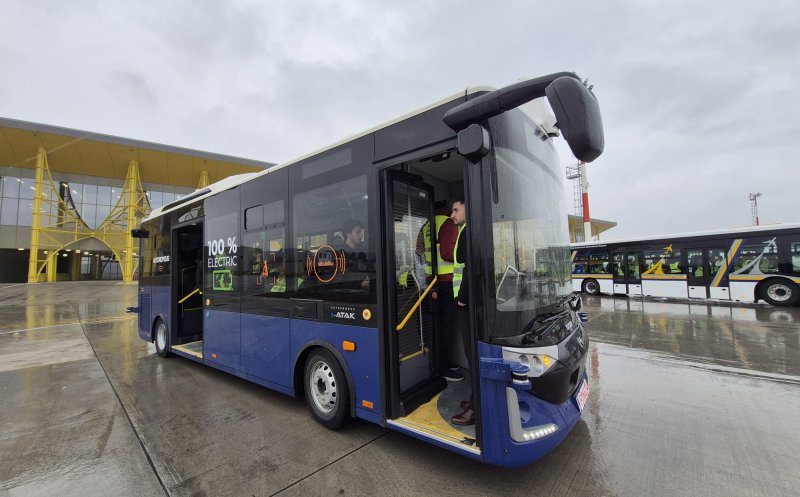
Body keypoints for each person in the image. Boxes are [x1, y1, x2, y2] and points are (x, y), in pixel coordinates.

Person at [427, 201, 462, 382]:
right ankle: (444, 366)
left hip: (433, 282)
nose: (454, 214)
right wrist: (464, 251)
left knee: (439, 325)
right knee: (446, 326)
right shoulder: (448, 223)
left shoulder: (427, 224)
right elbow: (447, 253)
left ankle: (442, 363)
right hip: (447, 282)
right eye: (454, 210)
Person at [449, 197, 475, 426]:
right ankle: (474, 399)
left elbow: (468, 268)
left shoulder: (468, 232)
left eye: (456, 210)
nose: (452, 214)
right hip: (465, 302)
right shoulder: (466, 230)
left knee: (472, 354)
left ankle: (475, 409)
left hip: (466, 304)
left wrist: (462, 300)